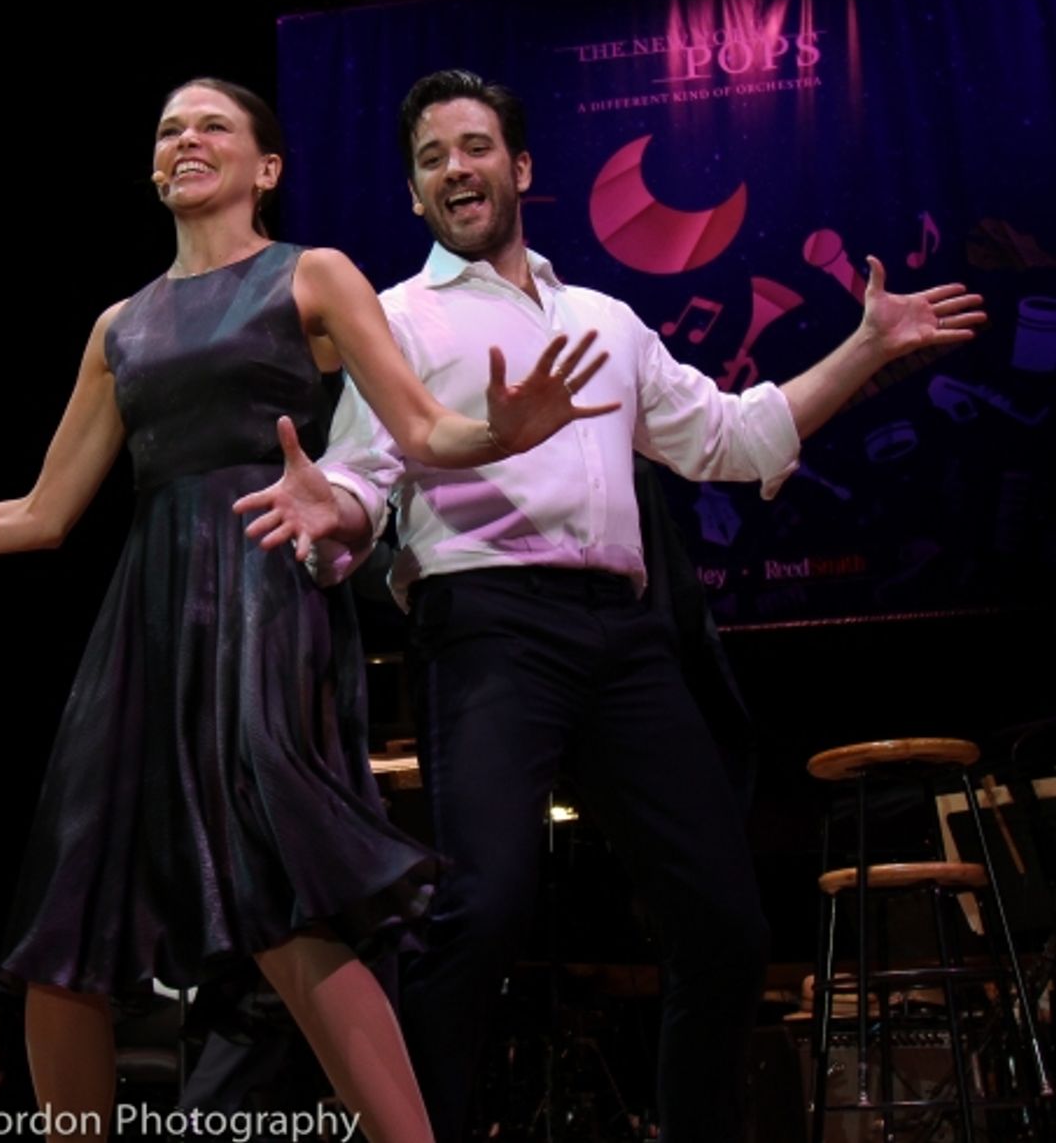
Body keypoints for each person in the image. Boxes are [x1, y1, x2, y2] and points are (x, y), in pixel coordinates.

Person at [0, 77, 618, 1143]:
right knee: (65, 918)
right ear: (156, 169)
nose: (185, 139)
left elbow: (423, 430)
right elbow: (40, 510)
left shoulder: (312, 277)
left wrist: (497, 433)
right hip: (147, 627)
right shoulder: (122, 325)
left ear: (265, 168)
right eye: (169, 129)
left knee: (282, 894)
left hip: (262, 597)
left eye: (213, 124)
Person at [235, 68, 987, 1142]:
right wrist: (333, 512)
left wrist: (864, 345)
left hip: (623, 641)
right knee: (480, 909)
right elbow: (362, 480)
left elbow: (731, 437)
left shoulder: (604, 318)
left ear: (520, 168)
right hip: (489, 626)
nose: (457, 167)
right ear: (413, 194)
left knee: (723, 927)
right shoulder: (393, 318)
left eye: (476, 145)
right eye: (432, 156)